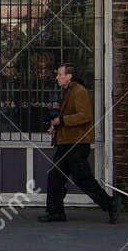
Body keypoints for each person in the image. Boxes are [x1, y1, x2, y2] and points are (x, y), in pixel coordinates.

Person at [40, 62, 118, 224]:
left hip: (76, 143)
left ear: (69, 76)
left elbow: (85, 116)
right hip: (67, 142)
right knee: (56, 175)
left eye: (60, 74)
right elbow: (68, 118)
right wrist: (56, 126)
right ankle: (56, 212)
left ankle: (110, 204)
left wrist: (61, 120)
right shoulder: (69, 91)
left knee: (82, 178)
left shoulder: (79, 91)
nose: (57, 77)